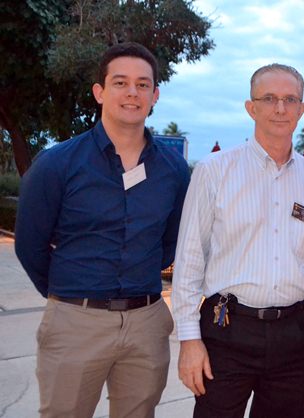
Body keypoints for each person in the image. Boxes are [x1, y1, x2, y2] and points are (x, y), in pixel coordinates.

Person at [14, 42, 190, 418]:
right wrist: (71, 291)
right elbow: (29, 246)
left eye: (143, 85)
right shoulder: (56, 164)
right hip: (76, 321)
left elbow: (172, 239)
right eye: (121, 82)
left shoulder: (173, 171)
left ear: (155, 95)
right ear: (99, 92)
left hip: (146, 322)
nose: (132, 93)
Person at [172, 63, 304, 417]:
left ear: (302, 109)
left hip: (297, 334)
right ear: (251, 107)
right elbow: (190, 258)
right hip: (227, 330)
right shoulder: (214, 170)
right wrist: (188, 338)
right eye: (270, 98)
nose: (280, 108)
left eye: (290, 99)